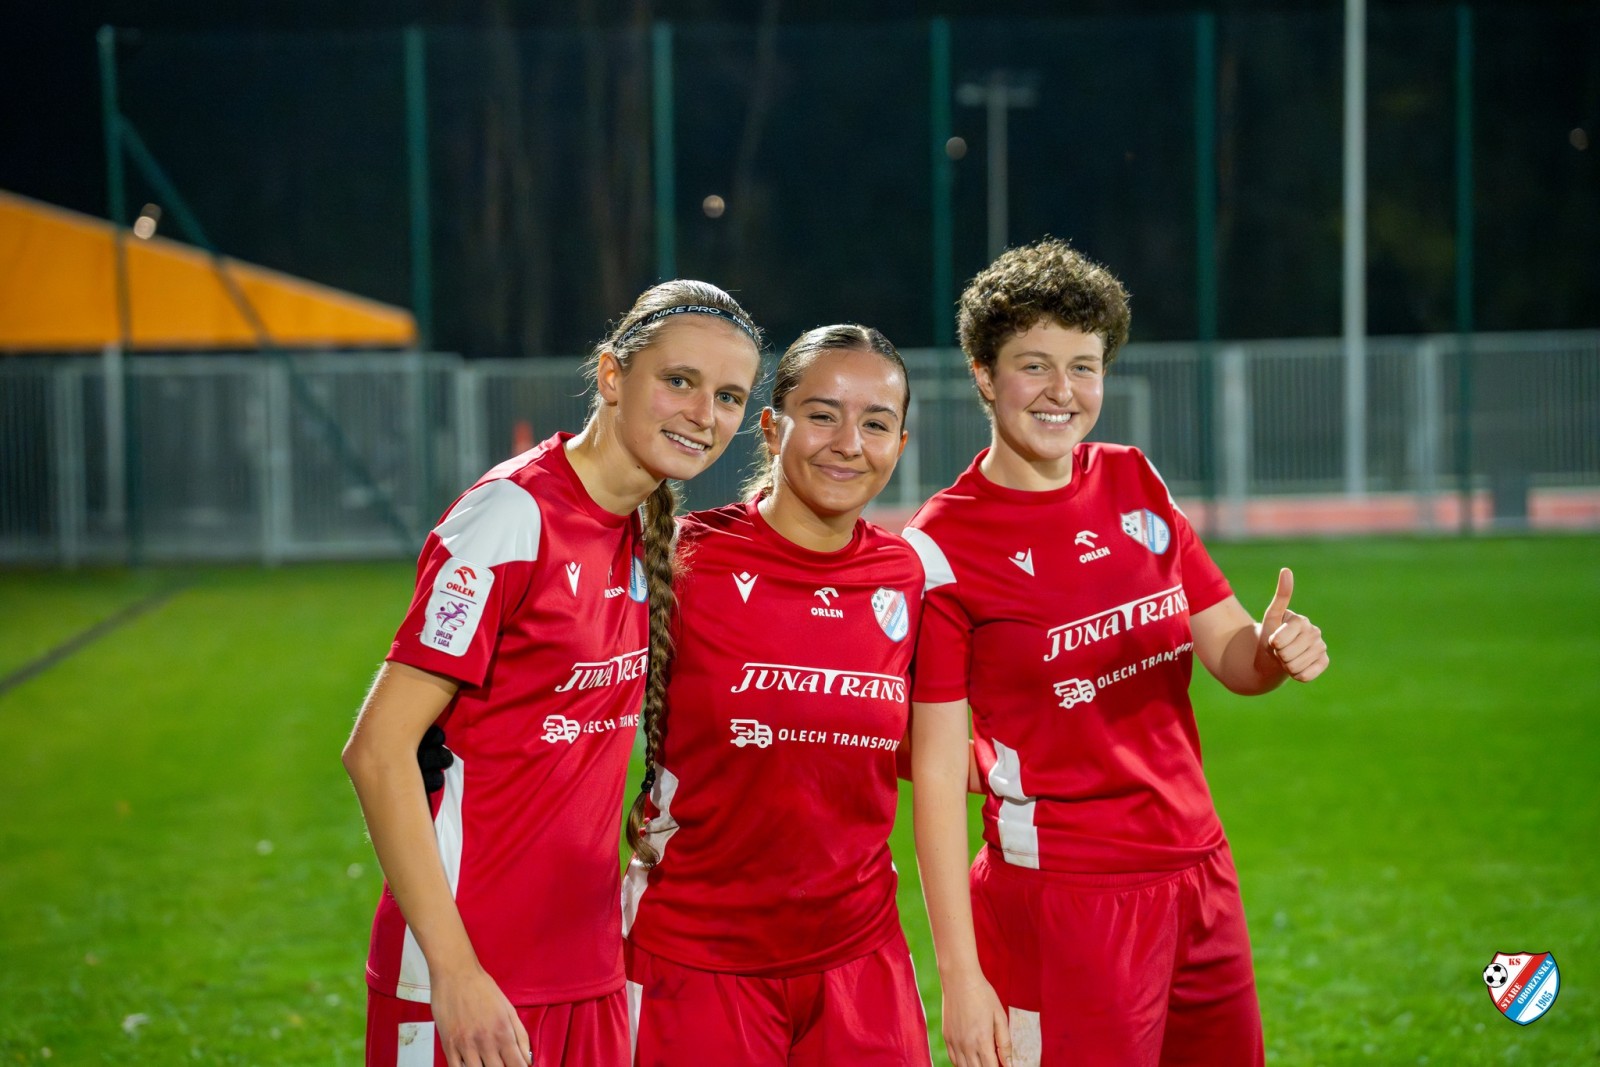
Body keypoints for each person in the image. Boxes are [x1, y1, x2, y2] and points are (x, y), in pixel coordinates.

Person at [906, 239, 1330, 1067]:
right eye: (1034, 365)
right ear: (985, 375)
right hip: (1064, 896)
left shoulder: (1135, 480)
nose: (1062, 391)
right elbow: (937, 777)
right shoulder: (944, 543)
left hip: (1199, 869)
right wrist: (959, 974)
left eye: (1084, 366)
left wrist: (1275, 651)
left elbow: (1231, 652)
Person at [342, 281, 764, 1067]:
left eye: (729, 395)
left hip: (589, 967)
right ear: (611, 375)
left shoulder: (648, 531)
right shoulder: (512, 515)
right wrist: (455, 972)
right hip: (469, 977)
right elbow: (377, 749)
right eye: (679, 380)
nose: (704, 413)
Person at [620, 325, 933, 1066]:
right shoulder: (682, 559)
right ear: (770, 426)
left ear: (900, 444)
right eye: (822, 415)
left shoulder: (907, 577)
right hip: (695, 960)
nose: (848, 444)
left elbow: (907, 744)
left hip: (860, 958)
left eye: (876, 424)